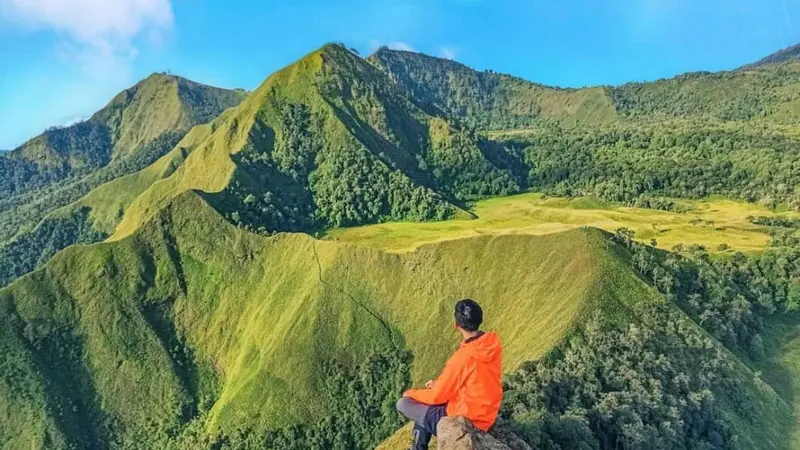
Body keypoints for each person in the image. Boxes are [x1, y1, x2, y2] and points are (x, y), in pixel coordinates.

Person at [396, 299, 503, 450]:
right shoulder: (491, 344)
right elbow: (475, 381)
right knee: (426, 409)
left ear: (456, 325)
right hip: (486, 413)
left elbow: (436, 397)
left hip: (466, 419)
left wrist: (409, 394)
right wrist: (437, 387)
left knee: (404, 404)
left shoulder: (464, 357)